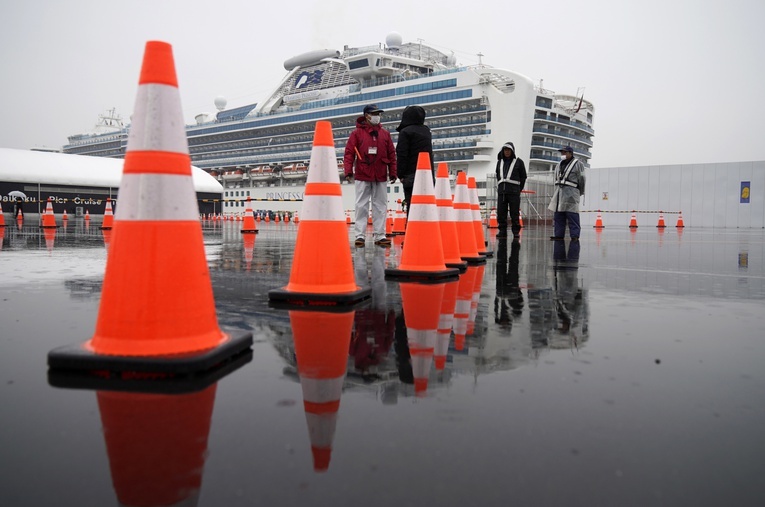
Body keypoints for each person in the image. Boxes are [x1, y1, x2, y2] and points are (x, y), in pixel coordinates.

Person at [344, 104, 397, 247]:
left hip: (380, 174)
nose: (377, 116)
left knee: (380, 205)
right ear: (366, 115)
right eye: (374, 114)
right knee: (361, 205)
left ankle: (380, 235)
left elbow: (392, 154)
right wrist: (348, 171)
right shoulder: (356, 133)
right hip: (363, 173)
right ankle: (359, 236)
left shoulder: (385, 134)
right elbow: (349, 153)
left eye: (378, 114)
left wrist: (393, 172)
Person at [395, 105, 433, 217]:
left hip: (410, 176)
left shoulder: (405, 132)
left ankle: (412, 231)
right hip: (428, 175)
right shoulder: (426, 131)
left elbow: (402, 154)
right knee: (426, 207)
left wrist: (400, 174)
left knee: (412, 207)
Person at [548, 145, 585, 240]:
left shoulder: (578, 164)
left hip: (572, 193)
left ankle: (575, 236)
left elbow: (582, 178)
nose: (563, 154)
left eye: (565, 152)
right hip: (559, 193)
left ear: (570, 153)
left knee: (572, 215)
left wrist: (580, 191)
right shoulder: (558, 165)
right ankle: (559, 235)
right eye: (562, 152)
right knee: (559, 215)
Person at [495, 141, 527, 237]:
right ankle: (502, 231)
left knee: (514, 213)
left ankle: (516, 231)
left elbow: (523, 176)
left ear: (512, 151)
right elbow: (498, 175)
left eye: (509, 150)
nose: (507, 152)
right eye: (505, 150)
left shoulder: (519, 162)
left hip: (514, 192)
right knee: (501, 213)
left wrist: (518, 189)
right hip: (502, 192)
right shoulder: (499, 162)